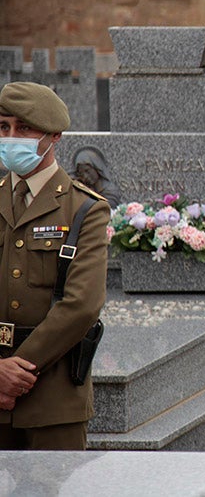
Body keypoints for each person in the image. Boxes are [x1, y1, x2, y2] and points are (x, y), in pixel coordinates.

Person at [0, 82, 109, 450]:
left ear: (54, 136)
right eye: (4, 127)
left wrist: (17, 371)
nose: (12, 137)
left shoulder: (84, 210)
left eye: (24, 128)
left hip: (53, 399)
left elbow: (81, 306)